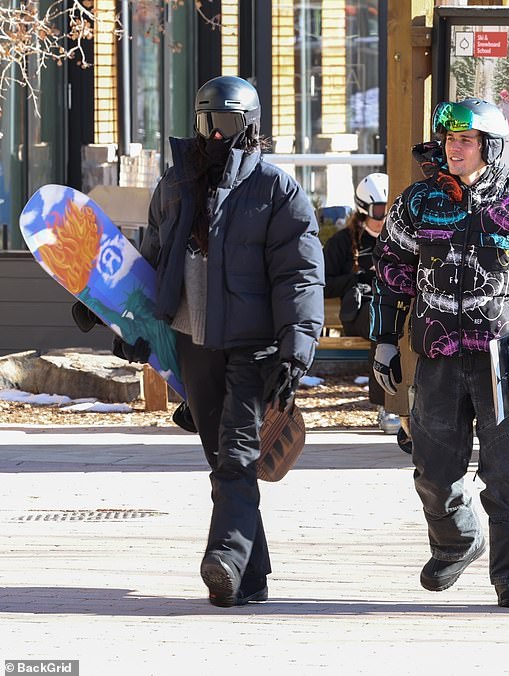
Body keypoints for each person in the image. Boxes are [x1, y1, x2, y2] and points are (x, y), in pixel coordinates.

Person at [112, 76, 324, 607]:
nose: (215, 135)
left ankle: (225, 560)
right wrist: (121, 321)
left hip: (254, 348)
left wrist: (295, 351)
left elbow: (300, 277)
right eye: (207, 123)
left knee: (236, 456)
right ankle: (252, 575)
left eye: (227, 124)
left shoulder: (279, 192)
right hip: (193, 345)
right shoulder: (176, 186)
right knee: (221, 459)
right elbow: (152, 262)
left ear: (250, 127)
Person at [370, 97, 509, 608]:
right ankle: (457, 541)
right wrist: (386, 340)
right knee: (434, 471)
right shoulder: (417, 202)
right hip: (436, 356)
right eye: (448, 139)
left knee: (505, 472)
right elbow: (390, 269)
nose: (453, 149)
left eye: (465, 140)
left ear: (490, 146)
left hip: (500, 360)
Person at [322, 173, 399, 434]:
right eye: (379, 210)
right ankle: (386, 404)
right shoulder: (343, 243)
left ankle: (413, 400)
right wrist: (358, 278)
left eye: (389, 209)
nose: (383, 216)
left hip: (391, 304)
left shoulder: (397, 238)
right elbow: (322, 281)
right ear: (364, 208)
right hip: (361, 308)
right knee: (383, 325)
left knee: (403, 325)